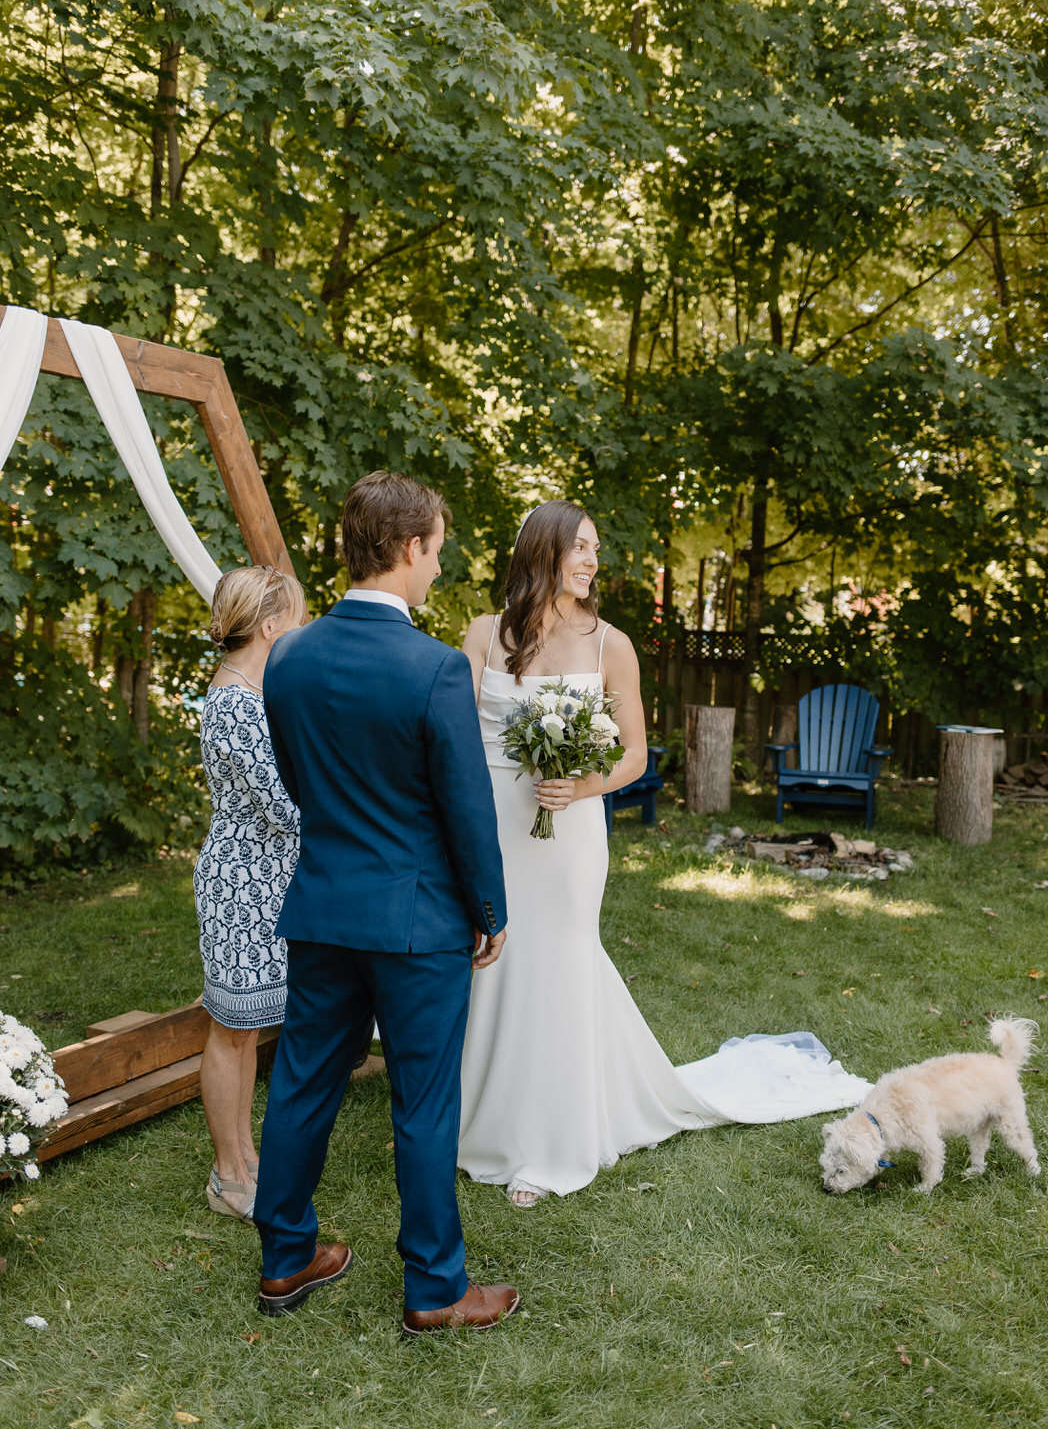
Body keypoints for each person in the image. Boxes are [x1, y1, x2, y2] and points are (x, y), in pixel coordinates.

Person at [458, 501, 871, 1206]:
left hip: (570, 832)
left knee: (559, 958)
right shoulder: (478, 635)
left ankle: (555, 1140)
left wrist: (582, 783)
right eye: (579, 548)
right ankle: (478, 1122)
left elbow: (635, 756)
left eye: (595, 549)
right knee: (493, 960)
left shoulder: (607, 645)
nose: (592, 561)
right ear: (542, 553)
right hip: (494, 823)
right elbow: (458, 740)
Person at [252, 471, 520, 1334]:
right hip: (416, 924)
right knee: (423, 1102)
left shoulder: (288, 654)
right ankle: (435, 1288)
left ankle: (285, 1260)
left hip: (323, 907)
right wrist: (489, 908)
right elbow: (465, 807)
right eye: (437, 550)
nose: (437, 568)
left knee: (300, 1086)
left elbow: (299, 784)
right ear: (410, 548)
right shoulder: (435, 668)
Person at [194, 564, 306, 1221]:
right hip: (241, 885)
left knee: (247, 1027)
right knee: (233, 1029)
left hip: (267, 880)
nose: (296, 632)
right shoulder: (236, 703)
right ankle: (229, 1173)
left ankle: (246, 1155)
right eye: (291, 620)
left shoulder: (251, 691)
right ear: (268, 626)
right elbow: (283, 807)